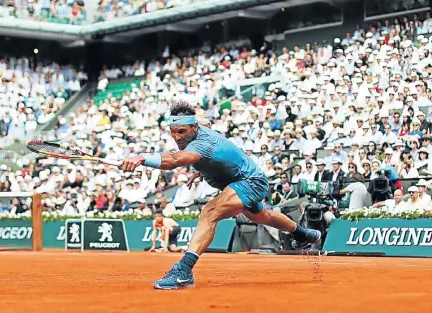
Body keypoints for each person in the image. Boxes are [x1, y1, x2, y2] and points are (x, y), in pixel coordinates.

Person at [120, 101, 320, 290]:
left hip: (250, 181)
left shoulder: (203, 144)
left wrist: (141, 158)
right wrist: (203, 169)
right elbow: (203, 141)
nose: (177, 137)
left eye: (182, 132)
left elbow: (173, 159)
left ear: (195, 127)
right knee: (261, 216)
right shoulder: (198, 130)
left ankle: (184, 271)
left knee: (210, 212)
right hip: (236, 180)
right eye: (173, 132)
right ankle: (303, 233)